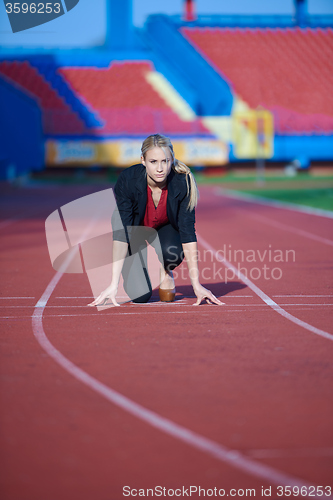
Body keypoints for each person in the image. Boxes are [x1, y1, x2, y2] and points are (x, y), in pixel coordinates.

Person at [88, 133, 224, 307]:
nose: (160, 168)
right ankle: (133, 271)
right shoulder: (128, 180)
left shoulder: (183, 182)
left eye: (165, 161)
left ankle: (166, 271)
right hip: (133, 229)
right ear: (143, 161)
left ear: (172, 160)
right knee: (140, 296)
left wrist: (196, 284)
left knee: (173, 254)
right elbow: (123, 233)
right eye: (153, 162)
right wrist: (113, 284)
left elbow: (188, 232)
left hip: (164, 225)